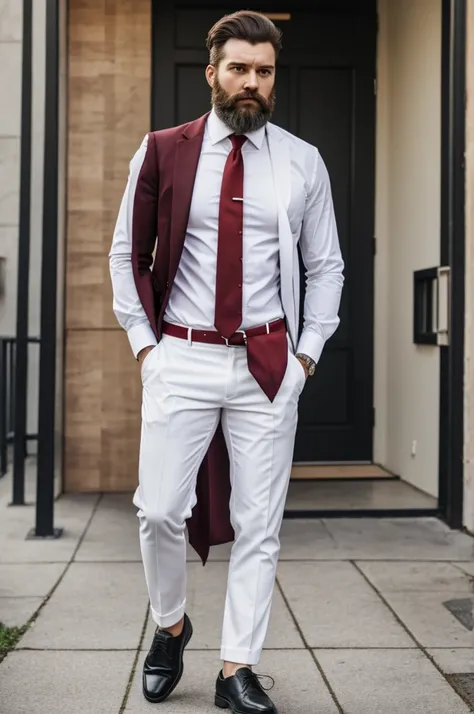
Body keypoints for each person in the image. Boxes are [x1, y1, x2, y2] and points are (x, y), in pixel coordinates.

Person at [109, 9, 344, 713]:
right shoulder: (162, 150)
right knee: (157, 511)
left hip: (269, 365)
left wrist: (306, 358)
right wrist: (145, 349)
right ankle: (171, 625)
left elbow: (326, 267)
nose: (251, 82)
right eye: (238, 68)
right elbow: (126, 255)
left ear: (275, 80)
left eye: (263, 71)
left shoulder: (303, 161)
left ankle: (236, 667)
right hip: (179, 354)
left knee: (259, 524)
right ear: (212, 73)